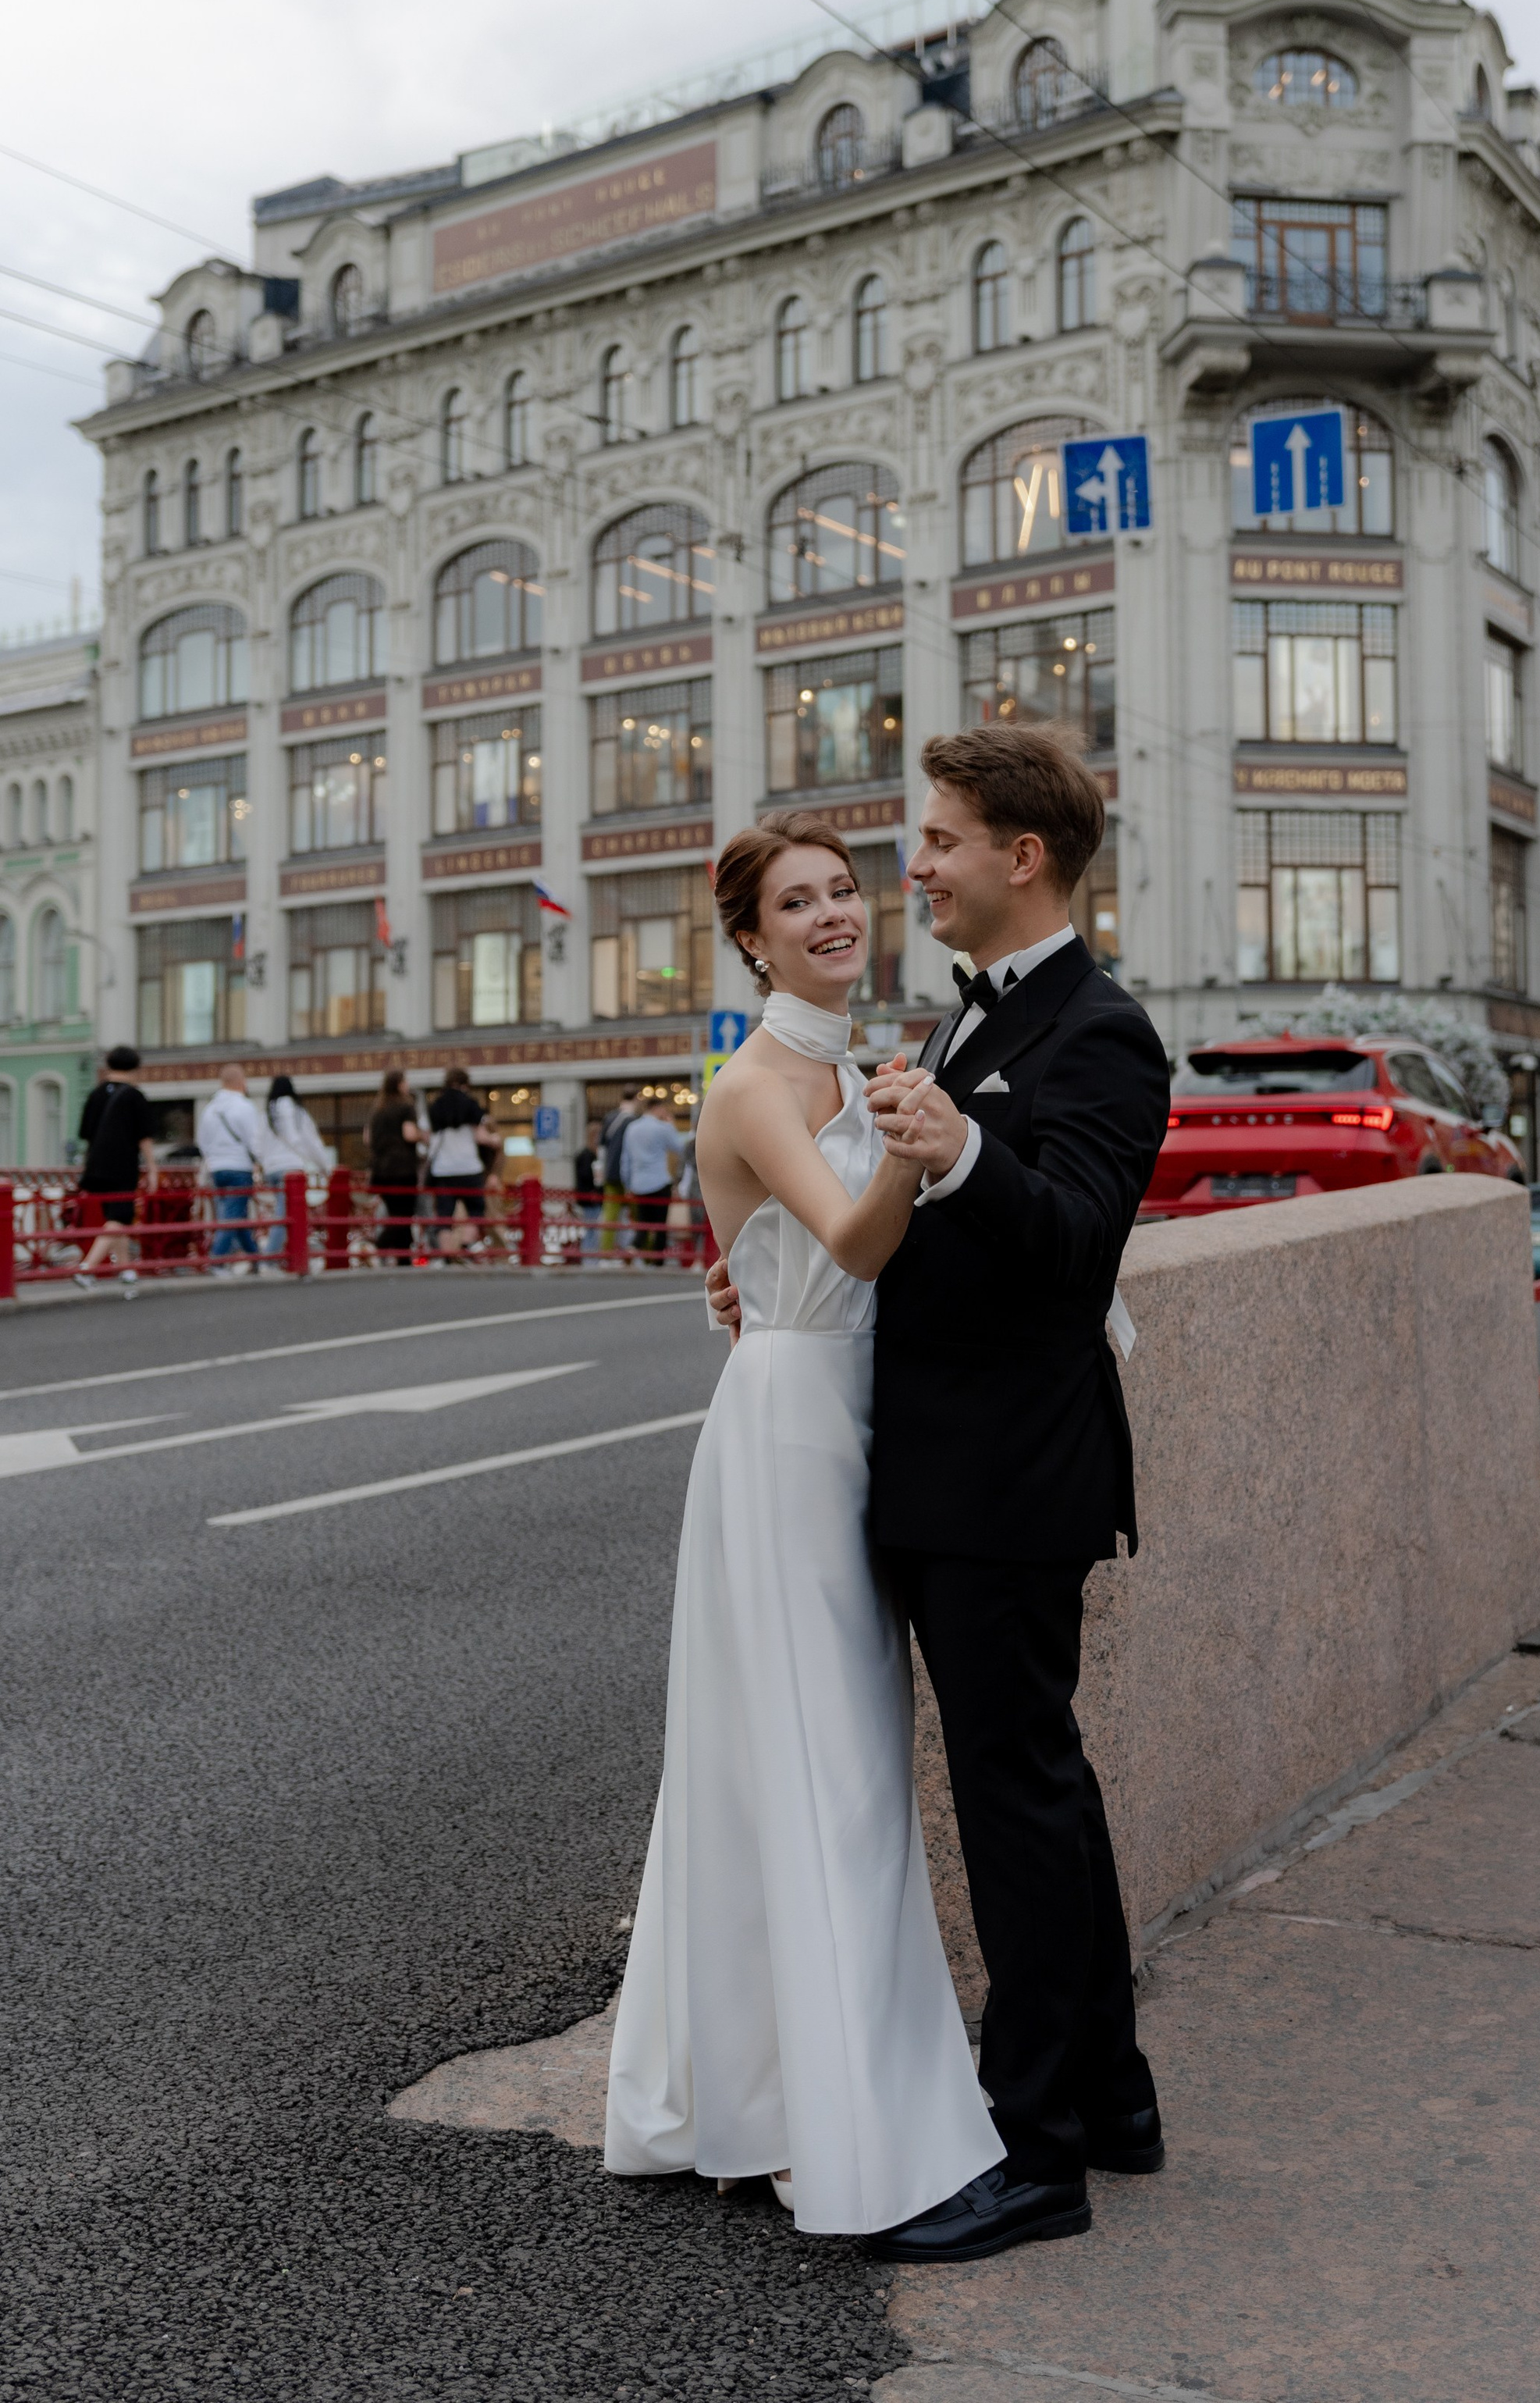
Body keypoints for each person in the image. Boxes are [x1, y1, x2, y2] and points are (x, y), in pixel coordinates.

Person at [708, 726, 1170, 2264]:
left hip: (1006, 1479)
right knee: (1042, 1787)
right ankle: (1108, 2097)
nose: (919, 869)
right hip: (942, 1463)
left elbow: (1071, 1246)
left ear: (1016, 859)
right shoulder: (973, 1021)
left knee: (1015, 1799)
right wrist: (773, 1293)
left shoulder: (1095, 1031)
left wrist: (960, 1150)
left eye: (939, 843)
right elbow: (886, 1231)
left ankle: (1033, 2153)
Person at [605, 818, 1001, 2238]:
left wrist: (908, 1121)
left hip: (850, 1417)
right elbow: (847, 1241)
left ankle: (763, 2096)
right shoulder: (762, 1079)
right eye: (799, 904)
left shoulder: (846, 1062)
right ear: (753, 940)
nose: (835, 914)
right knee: (820, 1770)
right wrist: (920, 1144)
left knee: (812, 1765)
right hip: (784, 1434)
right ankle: (829, 2139)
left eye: (845, 891)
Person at [72, 1045, 164, 1295]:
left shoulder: (95, 1094)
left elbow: (86, 1132)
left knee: (116, 1218)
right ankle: (87, 1268)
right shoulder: (134, 1096)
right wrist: (153, 1168)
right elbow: (144, 1136)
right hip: (122, 1165)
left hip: (96, 1166)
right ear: (135, 1069)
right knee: (119, 1218)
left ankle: (126, 1271)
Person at [198, 1065, 269, 1273]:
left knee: (235, 1215)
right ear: (240, 1082)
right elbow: (254, 1140)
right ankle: (217, 1261)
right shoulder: (245, 1107)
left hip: (217, 1168)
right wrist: (261, 1161)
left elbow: (203, 1142)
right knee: (232, 1216)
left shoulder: (210, 1108)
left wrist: (213, 1158)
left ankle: (256, 1259)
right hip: (239, 1167)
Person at [425, 1066, 495, 1261]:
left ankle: (448, 1256)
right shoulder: (471, 1104)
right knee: (476, 1209)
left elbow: (428, 1137)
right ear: (465, 1084)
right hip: (468, 1167)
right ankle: (466, 1243)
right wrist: (494, 1140)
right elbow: (481, 1137)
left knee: (445, 1216)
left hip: (443, 1169)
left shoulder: (436, 1106)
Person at [261, 1075, 330, 1259]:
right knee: (287, 1215)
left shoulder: (268, 1110)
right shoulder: (294, 1109)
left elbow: (259, 1142)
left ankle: (288, 1257)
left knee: (284, 1214)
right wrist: (324, 1166)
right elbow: (308, 1140)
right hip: (291, 1168)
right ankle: (271, 1259)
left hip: (271, 1169)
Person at [365, 1070, 425, 1264]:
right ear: (399, 1084)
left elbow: (367, 1138)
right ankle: (381, 1245)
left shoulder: (378, 1108)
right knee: (404, 1215)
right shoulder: (406, 1106)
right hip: (402, 1168)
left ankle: (403, 1259)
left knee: (395, 1213)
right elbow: (409, 1134)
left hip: (381, 1170)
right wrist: (423, 1136)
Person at [621, 1088, 685, 1264]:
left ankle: (634, 1248)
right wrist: (671, 1125)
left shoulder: (632, 1128)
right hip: (659, 1181)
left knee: (642, 1222)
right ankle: (658, 1261)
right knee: (660, 1224)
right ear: (657, 1109)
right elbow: (679, 1148)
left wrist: (627, 1183)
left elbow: (625, 1159)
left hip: (638, 1182)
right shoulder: (662, 1128)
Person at [572, 1118, 606, 1262]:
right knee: (591, 1230)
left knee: (593, 1230)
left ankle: (591, 1258)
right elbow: (586, 1176)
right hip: (590, 1199)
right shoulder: (587, 1156)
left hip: (591, 1199)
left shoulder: (591, 1154)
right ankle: (589, 1259)